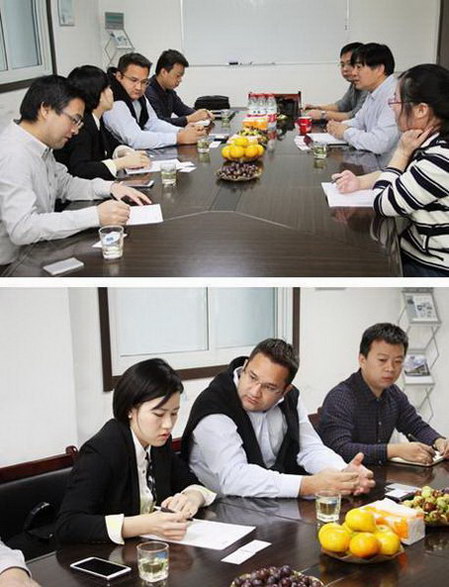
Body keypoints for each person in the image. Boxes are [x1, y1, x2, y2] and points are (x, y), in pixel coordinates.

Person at [181, 338, 375, 498]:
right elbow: (233, 477)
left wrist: (345, 473)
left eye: (269, 387)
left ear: (285, 390)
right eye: (252, 377)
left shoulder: (290, 398)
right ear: (245, 366)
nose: (255, 392)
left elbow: (309, 448)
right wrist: (308, 485)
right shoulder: (214, 405)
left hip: (269, 502)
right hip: (220, 509)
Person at [56, 359, 215, 544]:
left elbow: (193, 484)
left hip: (149, 548)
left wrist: (191, 499)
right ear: (130, 410)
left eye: (174, 413)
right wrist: (145, 524)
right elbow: (68, 525)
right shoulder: (102, 451)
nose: (168, 424)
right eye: (158, 414)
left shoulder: (159, 443)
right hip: (106, 554)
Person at [0, 75, 150, 268]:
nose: (76, 130)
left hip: (36, 251)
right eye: (74, 120)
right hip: (12, 267)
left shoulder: (38, 145)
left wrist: (111, 187)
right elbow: (23, 228)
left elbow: (65, 184)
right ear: (46, 109)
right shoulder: (13, 153)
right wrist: (95, 216)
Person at [331, 63, 449, 277]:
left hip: (433, 265)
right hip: (416, 248)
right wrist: (361, 182)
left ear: (421, 110)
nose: (392, 107)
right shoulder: (431, 142)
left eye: (396, 101)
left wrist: (402, 153)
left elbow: (383, 203)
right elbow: (403, 177)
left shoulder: (440, 158)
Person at [318, 323, 449, 466]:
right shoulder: (341, 397)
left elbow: (415, 426)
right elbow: (339, 449)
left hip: (380, 473)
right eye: (382, 360)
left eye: (398, 361)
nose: (390, 368)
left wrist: (439, 441)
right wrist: (394, 450)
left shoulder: (393, 393)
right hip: (343, 476)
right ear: (362, 360)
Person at [55, 65, 150, 180]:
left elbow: (112, 144)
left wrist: (126, 152)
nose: (112, 92)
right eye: (108, 88)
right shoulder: (81, 126)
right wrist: (121, 163)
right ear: (98, 93)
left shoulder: (96, 118)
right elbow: (80, 169)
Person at [103, 53, 205, 150]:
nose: (139, 87)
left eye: (144, 82)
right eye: (133, 80)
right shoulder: (113, 100)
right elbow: (135, 139)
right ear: (119, 76)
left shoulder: (137, 94)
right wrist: (178, 138)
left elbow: (152, 123)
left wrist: (181, 131)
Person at [327, 43, 400, 154]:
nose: (354, 73)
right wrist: (338, 126)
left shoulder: (394, 95)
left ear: (379, 69)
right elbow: (359, 121)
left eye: (359, 67)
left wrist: (345, 132)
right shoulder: (373, 92)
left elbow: (379, 143)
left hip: (387, 163)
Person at [146, 49, 214, 127]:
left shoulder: (169, 91)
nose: (180, 80)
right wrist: (189, 119)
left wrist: (202, 114)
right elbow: (158, 123)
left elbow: (182, 109)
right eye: (178, 76)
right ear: (164, 72)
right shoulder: (148, 91)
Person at [304, 42, 368, 122]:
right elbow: (341, 105)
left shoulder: (367, 87)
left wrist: (323, 114)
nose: (344, 69)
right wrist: (318, 108)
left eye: (350, 64)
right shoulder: (354, 84)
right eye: (342, 65)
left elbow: (354, 116)